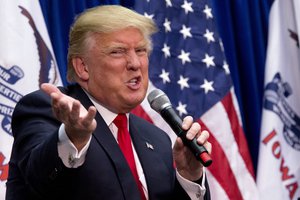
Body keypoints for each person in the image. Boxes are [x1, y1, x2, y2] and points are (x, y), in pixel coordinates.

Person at [6, 5, 212, 200]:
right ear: (83, 67)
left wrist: (189, 176)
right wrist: (72, 138)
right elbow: (38, 182)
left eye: (140, 51)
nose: (135, 63)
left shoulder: (157, 139)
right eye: (117, 52)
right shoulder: (48, 110)